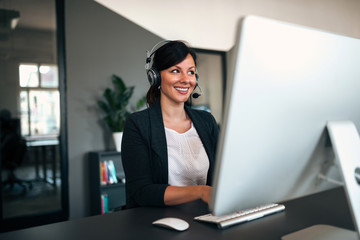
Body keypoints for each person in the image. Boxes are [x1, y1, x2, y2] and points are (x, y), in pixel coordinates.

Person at [121, 40, 219, 209]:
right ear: (155, 76)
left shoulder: (206, 121)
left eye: (190, 72)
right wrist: (200, 192)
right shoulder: (138, 124)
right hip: (157, 223)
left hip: (205, 218)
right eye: (175, 71)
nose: (185, 79)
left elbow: (220, 174)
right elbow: (141, 191)